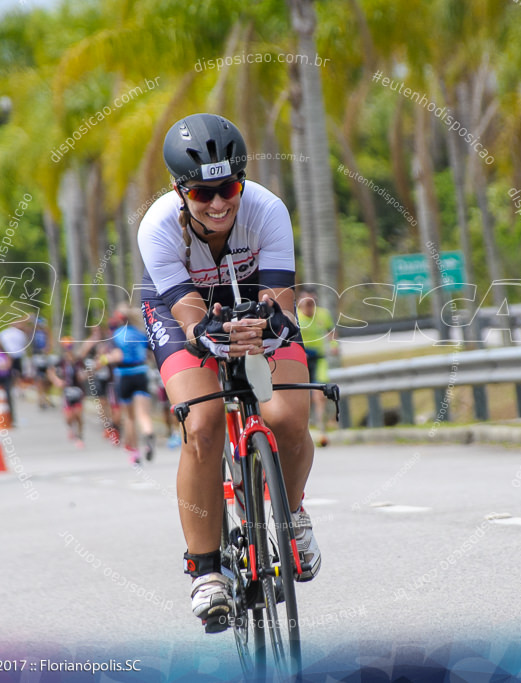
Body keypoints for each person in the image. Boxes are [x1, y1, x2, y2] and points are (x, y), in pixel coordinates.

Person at [137, 113, 319, 632]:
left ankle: (293, 512)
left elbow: (278, 298)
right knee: (204, 422)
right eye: (202, 194)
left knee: (286, 415)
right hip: (181, 309)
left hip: (255, 297)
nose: (218, 204)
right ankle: (206, 571)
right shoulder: (156, 227)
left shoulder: (266, 210)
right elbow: (187, 313)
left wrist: (265, 327)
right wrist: (206, 334)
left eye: (229, 188)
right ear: (180, 192)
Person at [105, 309, 155, 464]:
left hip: (124, 375)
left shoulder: (116, 335)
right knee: (143, 414)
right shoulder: (140, 334)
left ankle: (135, 452)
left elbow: (117, 356)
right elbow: (150, 354)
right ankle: (148, 434)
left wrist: (104, 359)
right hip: (141, 372)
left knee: (130, 418)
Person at [296, 287, 338, 439]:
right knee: (303, 397)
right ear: (300, 303)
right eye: (306, 303)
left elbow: (331, 331)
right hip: (302, 360)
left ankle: (322, 430)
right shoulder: (296, 317)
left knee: (319, 395)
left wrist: (334, 346)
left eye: (313, 303)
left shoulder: (323, 314)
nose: (310, 306)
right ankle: (303, 430)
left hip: (319, 358)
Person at [48, 336, 87, 447]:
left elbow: (87, 371)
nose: (68, 349)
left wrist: (84, 375)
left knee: (78, 414)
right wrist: (57, 380)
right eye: (66, 347)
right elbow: (50, 371)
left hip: (78, 390)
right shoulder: (61, 361)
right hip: (67, 391)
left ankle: (80, 436)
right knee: (69, 417)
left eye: (70, 347)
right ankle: (70, 428)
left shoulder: (78, 361)